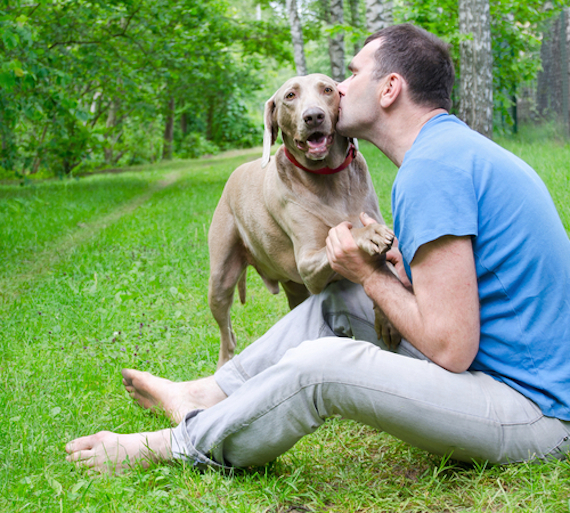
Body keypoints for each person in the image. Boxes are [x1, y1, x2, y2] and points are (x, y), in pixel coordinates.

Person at [66, 23, 570, 473]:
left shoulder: (433, 170)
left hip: (535, 411)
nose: (339, 89)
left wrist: (371, 274)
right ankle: (202, 393)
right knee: (340, 302)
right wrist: (383, 274)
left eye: (351, 76)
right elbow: (464, 292)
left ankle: (176, 444)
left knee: (324, 366)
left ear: (390, 89)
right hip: (511, 375)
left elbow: (450, 347)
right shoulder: (448, 151)